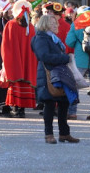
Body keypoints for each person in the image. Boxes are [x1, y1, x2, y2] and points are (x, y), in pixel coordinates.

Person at [31, 15, 79, 144]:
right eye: (52, 23)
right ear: (45, 23)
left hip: (59, 73)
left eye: (55, 23)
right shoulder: (41, 38)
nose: (55, 25)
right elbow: (44, 56)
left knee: (64, 104)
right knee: (50, 104)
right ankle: (49, 134)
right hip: (48, 74)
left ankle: (64, 133)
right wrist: (65, 58)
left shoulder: (52, 38)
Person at [1, 0, 38, 118]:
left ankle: (15, 108)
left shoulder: (11, 24)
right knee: (26, 81)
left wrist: (5, 59)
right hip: (28, 60)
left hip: (15, 59)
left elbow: (6, 44)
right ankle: (22, 109)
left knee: (16, 81)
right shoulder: (30, 27)